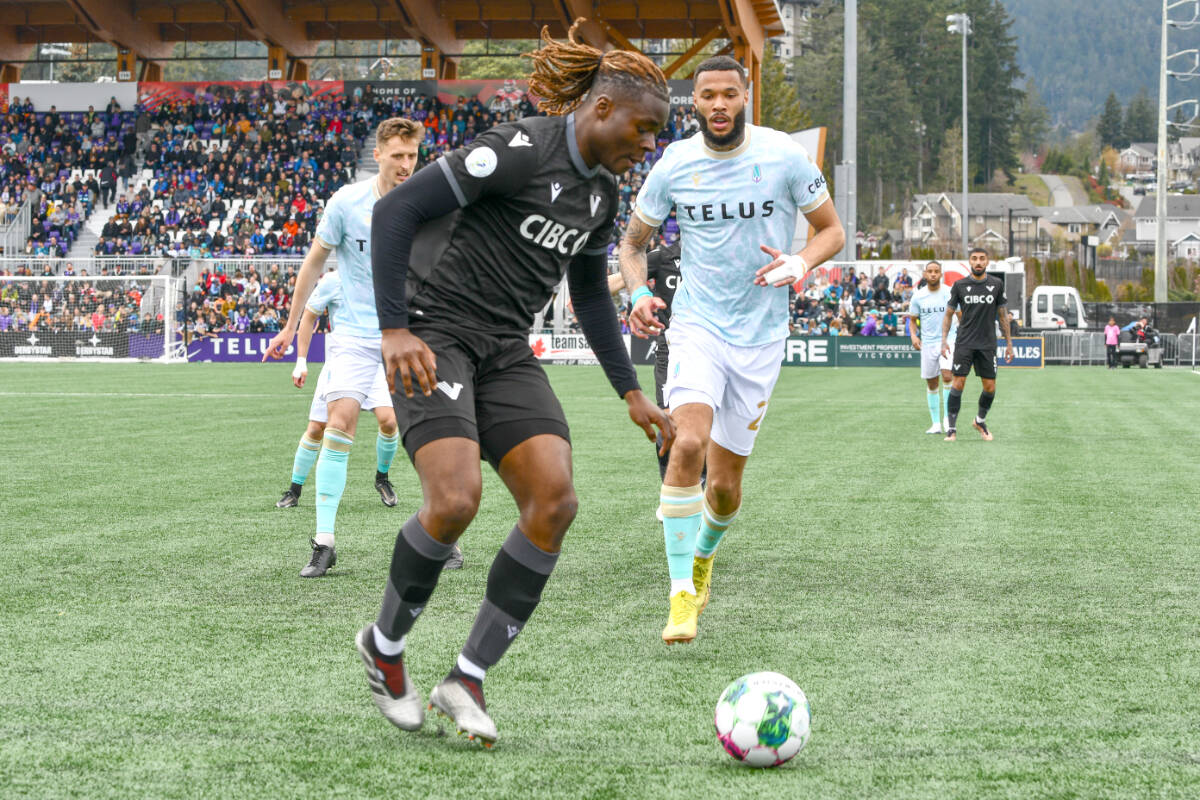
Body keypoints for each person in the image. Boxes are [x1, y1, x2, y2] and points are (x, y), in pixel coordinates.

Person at [358, 20, 674, 747]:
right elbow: (396, 209)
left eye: (656, 135)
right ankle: (386, 645)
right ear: (600, 109)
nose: (647, 145)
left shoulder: (600, 195)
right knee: (455, 499)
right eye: (643, 128)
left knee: (554, 500)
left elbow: (590, 294)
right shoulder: (518, 148)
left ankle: (465, 680)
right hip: (434, 332)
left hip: (504, 347)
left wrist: (629, 391)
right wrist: (395, 328)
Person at [619, 54, 844, 645]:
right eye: (707, 96)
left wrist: (800, 261)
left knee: (723, 488)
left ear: (746, 98)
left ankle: (704, 556)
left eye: (728, 94)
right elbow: (632, 243)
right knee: (686, 442)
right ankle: (680, 597)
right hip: (696, 324)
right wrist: (639, 291)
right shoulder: (675, 163)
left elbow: (832, 231)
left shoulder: (783, 157)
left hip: (762, 336)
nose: (718, 105)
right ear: (693, 103)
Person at [263, 117, 424, 577]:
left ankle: (442, 533)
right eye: (397, 156)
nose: (405, 165)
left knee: (426, 431)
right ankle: (325, 540)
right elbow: (312, 266)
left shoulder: (427, 200)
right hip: (353, 335)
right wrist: (290, 327)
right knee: (338, 423)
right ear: (378, 155)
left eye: (412, 156)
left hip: (406, 334)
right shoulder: (346, 203)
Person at [607, 236, 701, 486]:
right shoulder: (664, 256)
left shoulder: (714, 256)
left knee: (705, 426)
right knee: (668, 424)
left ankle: (700, 484)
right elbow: (624, 278)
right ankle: (670, 488)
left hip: (707, 348)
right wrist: (591, 292)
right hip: (670, 349)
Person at [941, 247, 1013, 441]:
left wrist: (1009, 343)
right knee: (958, 383)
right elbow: (948, 314)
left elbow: (1003, 315)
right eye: (974, 259)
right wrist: (943, 341)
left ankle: (980, 420)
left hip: (987, 343)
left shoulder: (997, 284)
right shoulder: (959, 285)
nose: (978, 262)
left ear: (987, 262)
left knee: (990, 387)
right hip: (964, 342)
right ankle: (952, 429)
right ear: (970, 262)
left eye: (982, 259)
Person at [907, 261, 958, 434]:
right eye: (930, 271)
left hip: (948, 339)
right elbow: (912, 320)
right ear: (924, 274)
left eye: (936, 271)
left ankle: (947, 419)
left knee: (947, 375)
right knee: (931, 382)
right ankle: (936, 423)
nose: (933, 274)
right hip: (928, 343)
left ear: (941, 273)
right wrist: (914, 336)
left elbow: (961, 315)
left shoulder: (950, 292)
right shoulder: (918, 296)